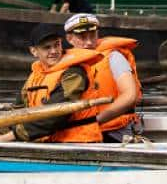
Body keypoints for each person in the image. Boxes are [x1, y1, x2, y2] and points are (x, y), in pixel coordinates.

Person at [0, 23, 103, 142]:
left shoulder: (74, 73)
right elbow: (17, 110)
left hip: (78, 141)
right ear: (34, 51)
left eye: (57, 45)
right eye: (47, 47)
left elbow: (55, 114)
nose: (54, 51)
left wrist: (3, 138)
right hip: (49, 140)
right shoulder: (36, 75)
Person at [61, 13, 143, 143]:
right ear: (69, 39)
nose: (88, 42)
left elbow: (130, 95)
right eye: (82, 37)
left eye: (92, 35)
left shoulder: (113, 57)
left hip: (114, 132)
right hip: (81, 131)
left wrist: (97, 120)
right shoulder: (65, 63)